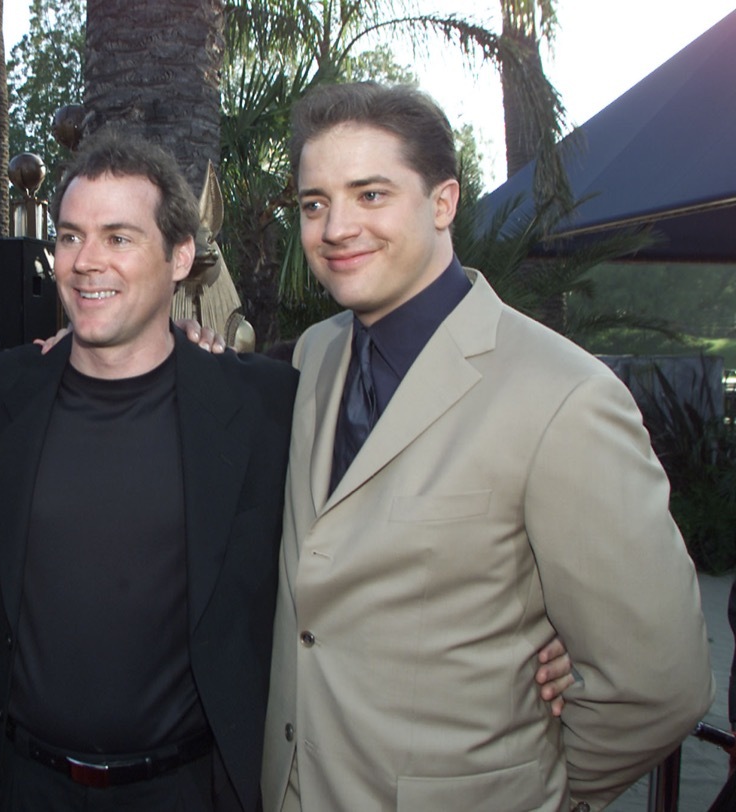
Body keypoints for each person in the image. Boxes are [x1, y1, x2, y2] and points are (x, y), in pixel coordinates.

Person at [260, 81, 714, 812]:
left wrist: (544, 791)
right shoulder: (315, 356)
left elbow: (659, 683)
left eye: (371, 194)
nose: (336, 226)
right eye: (315, 203)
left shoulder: (564, 397)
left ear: (443, 203)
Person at [0, 131, 298, 811]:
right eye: (69, 237)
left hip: (188, 789)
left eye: (119, 238)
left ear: (180, 257)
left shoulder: (263, 406)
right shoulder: (0, 391)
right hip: (22, 787)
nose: (85, 262)